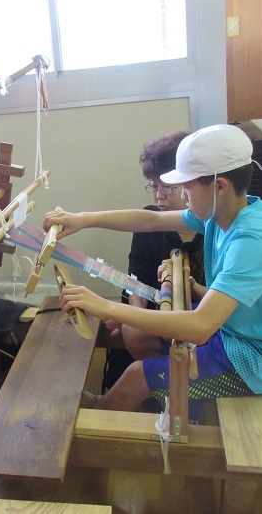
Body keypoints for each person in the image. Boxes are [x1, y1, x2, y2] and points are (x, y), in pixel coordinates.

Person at [44, 124, 262, 412]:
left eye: (188, 187)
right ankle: (156, 403)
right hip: (247, 331)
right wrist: (82, 219)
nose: (182, 197)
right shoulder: (225, 214)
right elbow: (151, 220)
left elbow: (200, 327)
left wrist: (104, 306)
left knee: (134, 378)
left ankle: (98, 429)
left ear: (219, 186)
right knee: (141, 342)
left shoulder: (252, 241)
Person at [102, 131, 207, 394]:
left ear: (189, 183)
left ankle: (168, 391)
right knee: (132, 335)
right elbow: (136, 279)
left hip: (199, 322)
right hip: (155, 316)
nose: (159, 196)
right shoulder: (148, 220)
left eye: (167, 187)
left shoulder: (211, 227)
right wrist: (135, 317)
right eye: (153, 187)